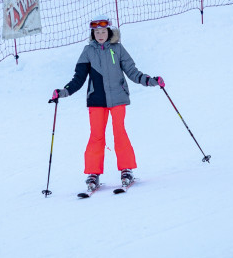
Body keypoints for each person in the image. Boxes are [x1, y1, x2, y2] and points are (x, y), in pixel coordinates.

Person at [50, 17, 164, 192]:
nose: (100, 35)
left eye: (103, 31)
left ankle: (126, 170)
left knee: (119, 133)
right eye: (97, 32)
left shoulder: (118, 49)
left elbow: (133, 72)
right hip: (96, 100)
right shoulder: (88, 51)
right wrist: (63, 91)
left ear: (109, 32)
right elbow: (78, 79)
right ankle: (93, 174)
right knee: (96, 136)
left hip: (118, 98)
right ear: (92, 34)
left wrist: (150, 81)